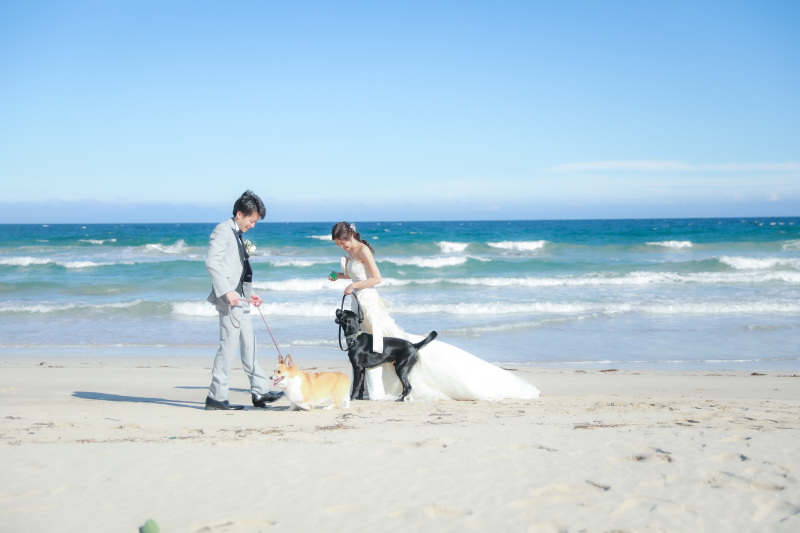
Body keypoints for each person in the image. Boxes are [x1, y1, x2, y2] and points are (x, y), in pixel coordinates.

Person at [328, 222, 540, 401]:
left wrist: (355, 286)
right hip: (357, 302)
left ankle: (380, 390)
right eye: (338, 245)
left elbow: (376, 279)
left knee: (379, 345)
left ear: (352, 236)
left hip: (369, 303)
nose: (341, 247)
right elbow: (357, 276)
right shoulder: (351, 252)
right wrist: (340, 276)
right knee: (365, 348)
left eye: (342, 242)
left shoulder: (363, 250)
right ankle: (367, 390)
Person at [204, 190, 283, 410]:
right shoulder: (222, 230)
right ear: (239, 214)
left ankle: (260, 392)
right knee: (228, 347)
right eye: (252, 220)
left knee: (250, 345)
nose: (253, 225)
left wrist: (249, 294)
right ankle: (216, 397)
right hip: (229, 300)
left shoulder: (237, 233)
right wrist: (227, 291)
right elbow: (212, 263)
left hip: (241, 299)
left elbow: (237, 269)